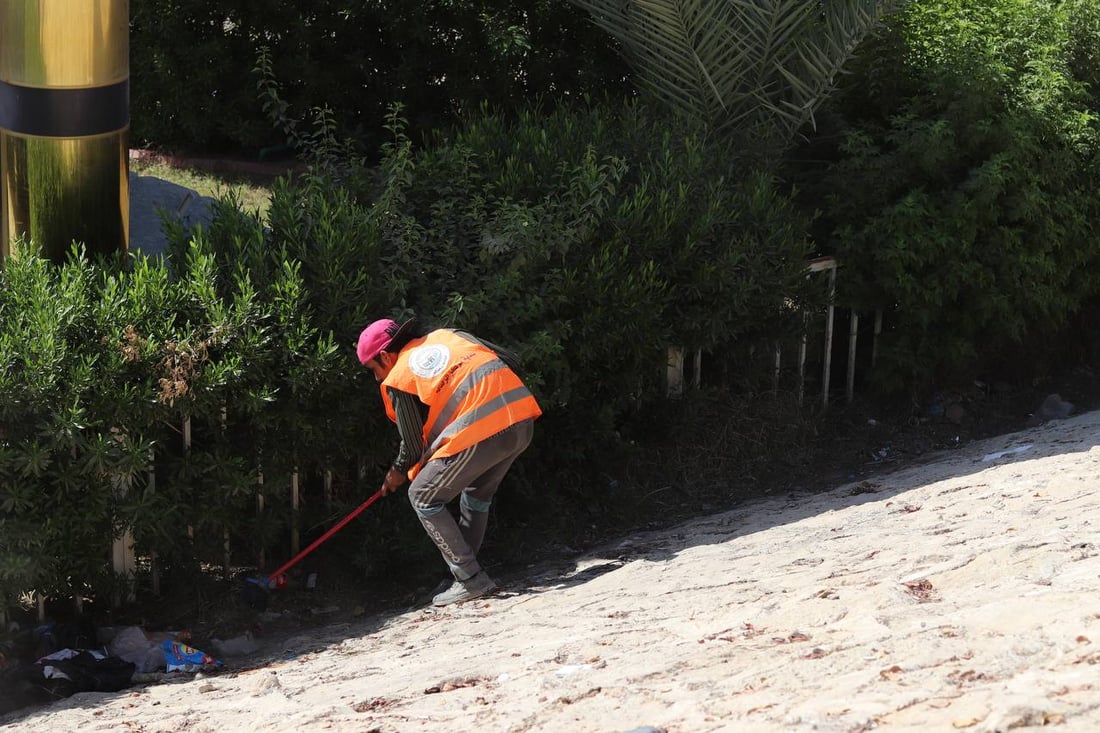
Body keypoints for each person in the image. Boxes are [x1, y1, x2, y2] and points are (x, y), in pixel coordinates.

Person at [357, 317, 542, 605]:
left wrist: (396, 472)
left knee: (421, 496)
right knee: (477, 494)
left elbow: (412, 445)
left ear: (384, 356)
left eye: (373, 370)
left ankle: (470, 579)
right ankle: (466, 575)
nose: (377, 378)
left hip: (486, 431)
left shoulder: (398, 376)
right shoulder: (449, 335)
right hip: (521, 419)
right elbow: (509, 359)